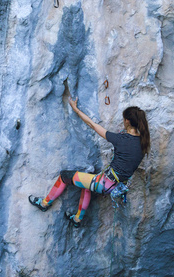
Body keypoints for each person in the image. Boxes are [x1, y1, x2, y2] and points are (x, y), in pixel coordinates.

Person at [28, 96, 150, 227]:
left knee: (64, 176)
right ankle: (77, 219)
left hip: (104, 183)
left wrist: (76, 109)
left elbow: (92, 124)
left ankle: (44, 204)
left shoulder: (120, 139)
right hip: (117, 187)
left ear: (127, 121)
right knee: (86, 186)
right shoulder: (143, 141)